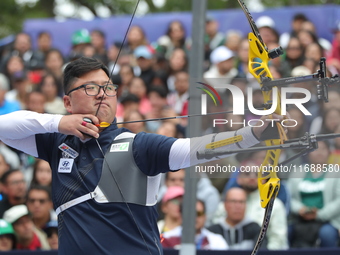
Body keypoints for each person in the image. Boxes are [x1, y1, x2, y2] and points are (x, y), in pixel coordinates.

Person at [0, 56, 279, 255]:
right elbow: (4, 127)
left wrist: (251, 135)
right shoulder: (57, 143)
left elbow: (193, 150)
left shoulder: (138, 145)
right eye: (90, 88)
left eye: (108, 87)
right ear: (67, 102)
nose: (102, 95)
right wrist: (59, 123)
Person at [161, 200, 228, 250]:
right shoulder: (165, 238)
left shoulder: (217, 241)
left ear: (205, 217)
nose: (194, 218)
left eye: (199, 214)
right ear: (180, 216)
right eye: (190, 214)